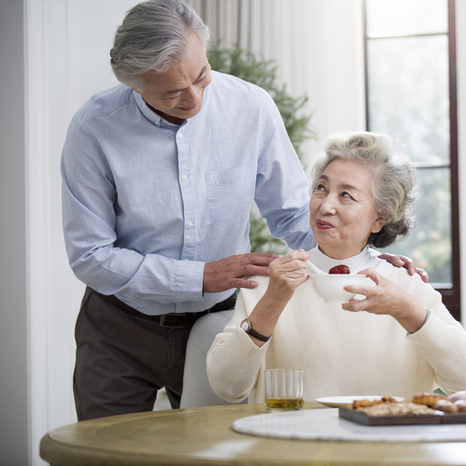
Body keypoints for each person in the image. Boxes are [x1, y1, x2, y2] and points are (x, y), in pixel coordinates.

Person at [61, 0, 424, 421]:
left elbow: (292, 214)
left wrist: (365, 255)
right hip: (120, 327)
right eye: (172, 92)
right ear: (135, 84)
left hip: (220, 324)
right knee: (105, 453)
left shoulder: (250, 107)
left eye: (201, 77)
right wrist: (200, 276)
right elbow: (90, 255)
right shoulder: (94, 128)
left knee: (214, 451)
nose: (194, 98)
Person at [206, 132, 466, 403]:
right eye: (321, 188)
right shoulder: (270, 283)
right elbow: (228, 388)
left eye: (346, 195)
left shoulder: (408, 286)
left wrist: (408, 311)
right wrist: (273, 301)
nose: (325, 205)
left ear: (379, 219)